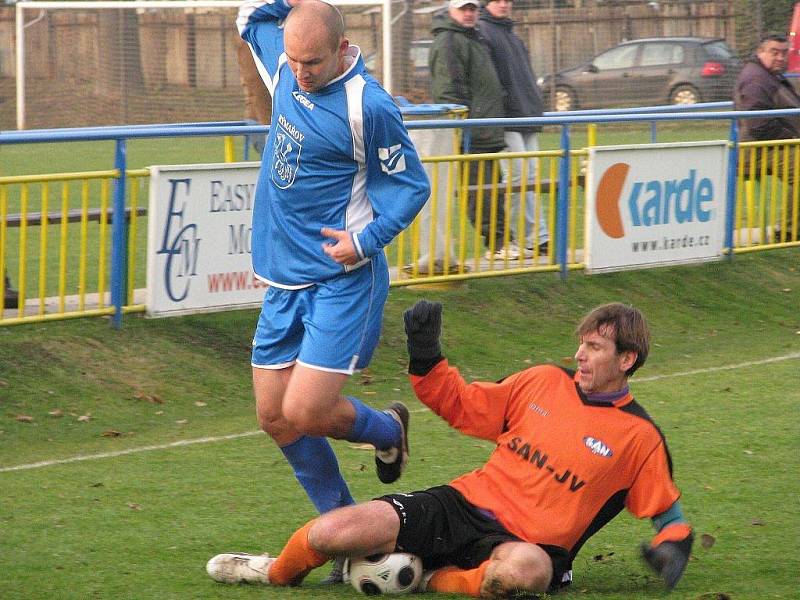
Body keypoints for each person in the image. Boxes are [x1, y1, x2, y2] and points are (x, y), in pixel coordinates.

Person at [206, 300, 694, 596]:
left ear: (627, 359)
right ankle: (271, 573)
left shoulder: (639, 437)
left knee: (525, 575)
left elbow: (669, 517)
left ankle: (425, 579)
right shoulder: (544, 381)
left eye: (596, 348)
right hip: (461, 505)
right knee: (334, 530)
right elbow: (463, 406)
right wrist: (427, 355)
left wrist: (669, 550)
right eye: (582, 344)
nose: (581, 355)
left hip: (528, 545)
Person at [236, 0, 430, 582]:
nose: (299, 72)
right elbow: (250, 17)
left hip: (341, 279)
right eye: (292, 60)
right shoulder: (285, 62)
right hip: (282, 281)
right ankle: (351, 534)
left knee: (306, 409)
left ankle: (388, 430)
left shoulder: (367, 105)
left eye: (311, 61)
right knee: (275, 417)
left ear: (343, 47)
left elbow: (411, 185)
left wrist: (365, 241)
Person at [429, 0, 518, 261]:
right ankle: (497, 243)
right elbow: (448, 91)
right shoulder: (448, 41)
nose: (469, 14)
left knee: (493, 189)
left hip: (486, 130)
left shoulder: (473, 37)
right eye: (463, 9)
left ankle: (502, 241)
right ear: (451, 11)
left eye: (472, 9)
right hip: (471, 133)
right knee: (480, 192)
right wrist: (465, 125)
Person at [480, 0, 549, 259]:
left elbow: (524, 77)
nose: (504, 4)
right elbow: (490, 82)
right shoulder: (484, 31)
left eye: (507, 0)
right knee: (518, 178)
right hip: (506, 119)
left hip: (525, 115)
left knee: (530, 176)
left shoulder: (511, 34)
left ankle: (538, 238)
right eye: (497, 0)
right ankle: (524, 238)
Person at [733, 33, 800, 243]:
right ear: (760, 52)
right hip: (757, 150)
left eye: (783, 53)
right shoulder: (756, 79)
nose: (780, 57)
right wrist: (793, 138)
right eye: (774, 52)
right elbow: (758, 124)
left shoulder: (771, 75)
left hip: (776, 145)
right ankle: (788, 232)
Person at [235, 34, 272, 154]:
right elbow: (258, 86)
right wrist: (270, 127)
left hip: (264, 122)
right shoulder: (253, 38)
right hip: (265, 123)